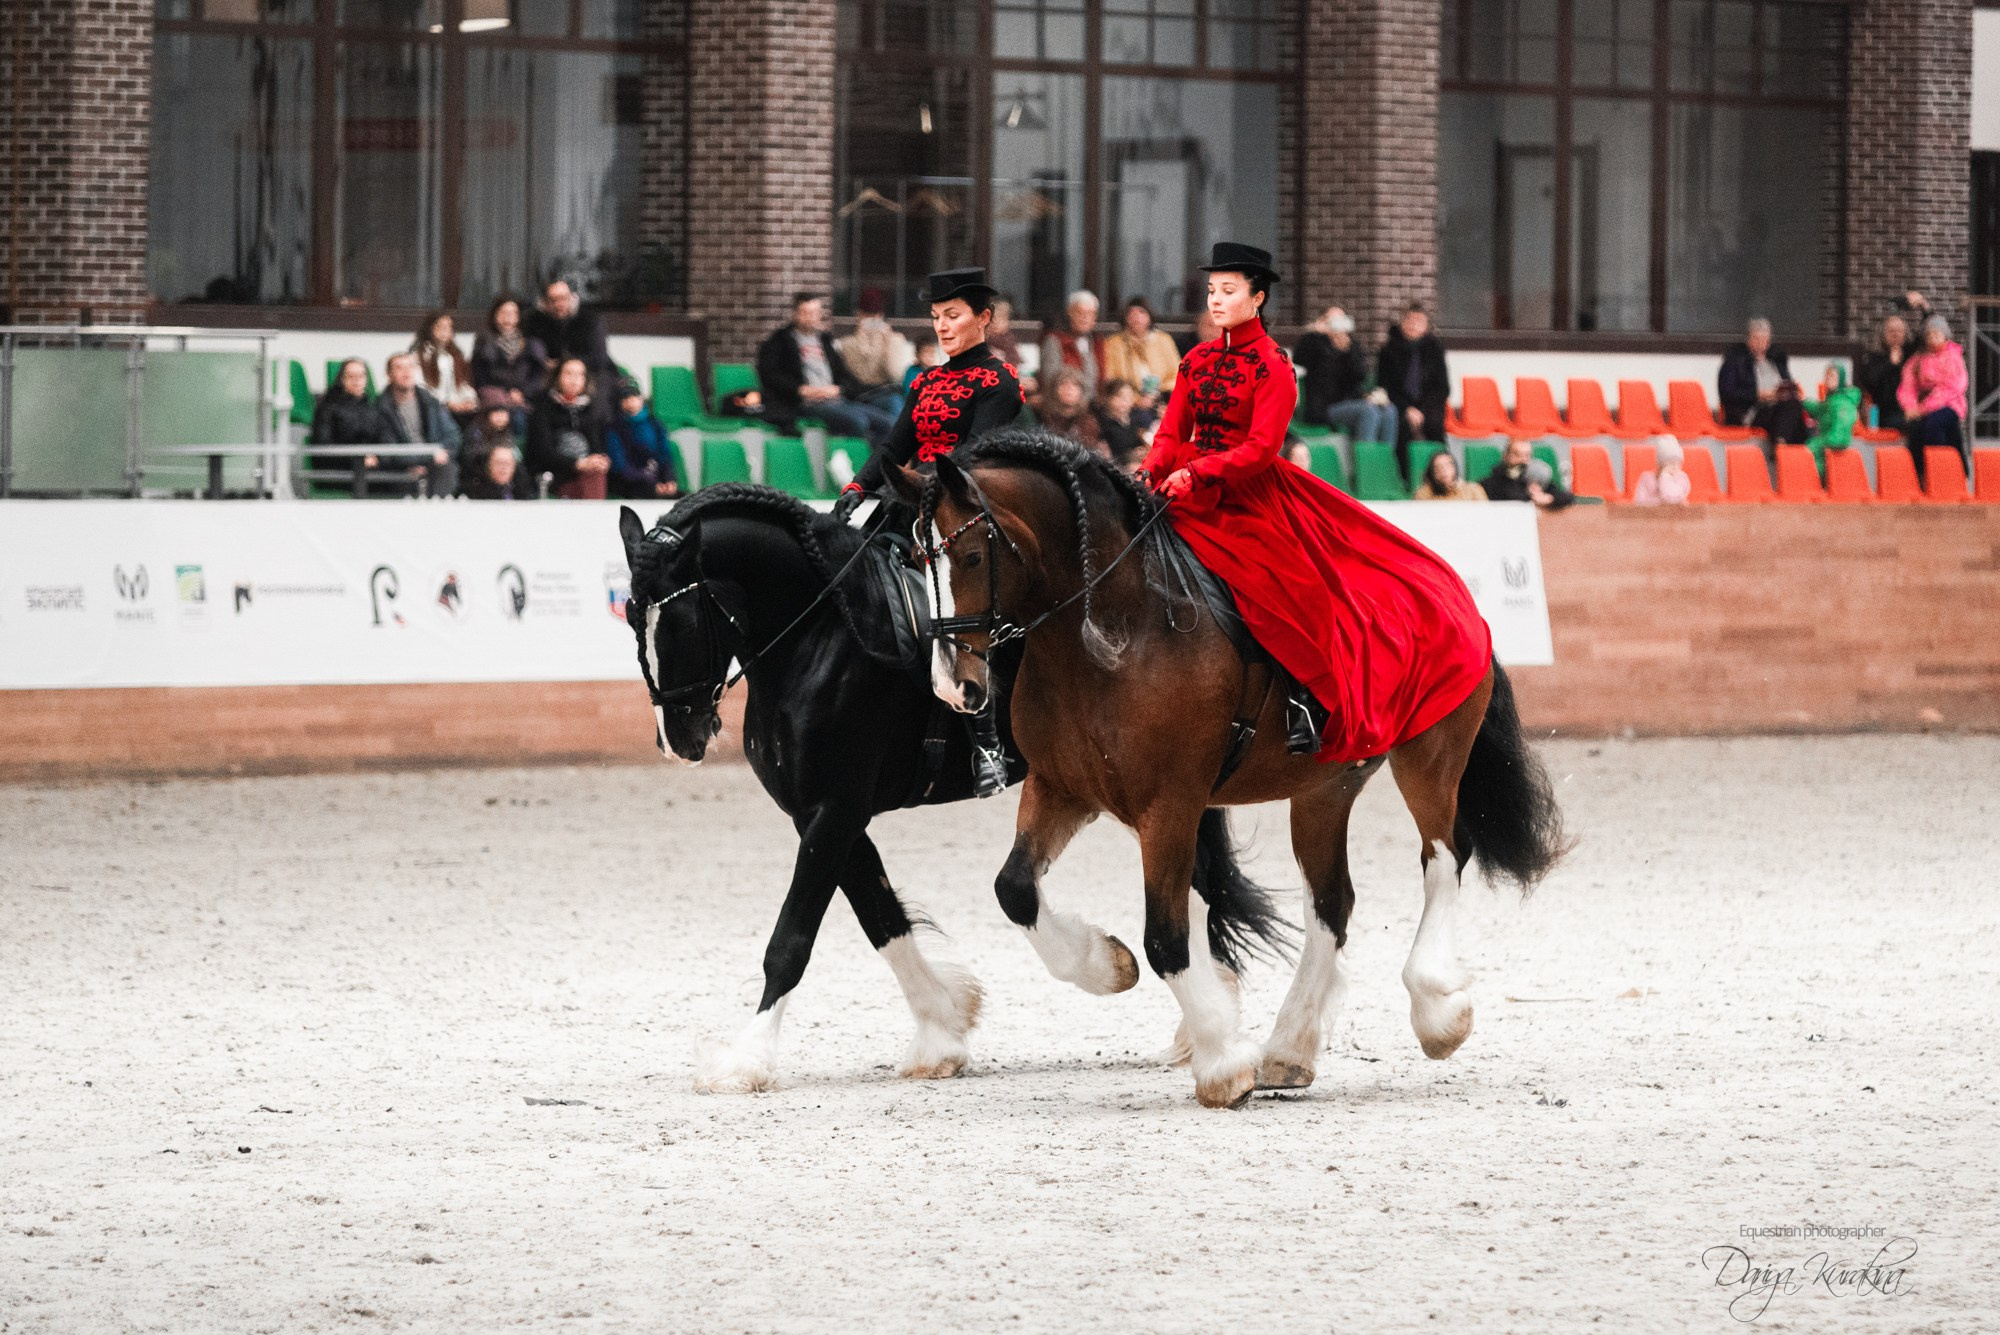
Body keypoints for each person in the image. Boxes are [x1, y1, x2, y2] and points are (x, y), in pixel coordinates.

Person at [1142, 242, 1492, 762]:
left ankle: (1306, 699)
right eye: (1213, 290)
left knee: (1292, 586)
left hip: (1248, 493)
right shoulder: (1194, 360)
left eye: (1229, 290)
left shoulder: (1274, 366)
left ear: (1257, 298)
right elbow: (1172, 432)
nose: (1216, 300)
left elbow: (1261, 449)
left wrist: (1199, 471)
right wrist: (1152, 469)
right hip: (1186, 482)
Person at [851, 267, 1026, 798]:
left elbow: (971, 455)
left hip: (960, 513)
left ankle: (988, 742)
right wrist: (858, 487)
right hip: (906, 505)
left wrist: (913, 484)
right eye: (936, 318)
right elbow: (894, 443)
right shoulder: (926, 380)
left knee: (953, 615)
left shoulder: (998, 381)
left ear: (984, 319)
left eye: (953, 316)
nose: (943, 327)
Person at [755, 292, 897, 444]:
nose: (811, 318)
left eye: (815, 313)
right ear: (795, 314)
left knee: (888, 423)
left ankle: (880, 466)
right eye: (806, 313)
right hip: (804, 404)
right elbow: (770, 376)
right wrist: (800, 390)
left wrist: (839, 389)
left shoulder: (824, 340)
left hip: (835, 399)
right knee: (858, 421)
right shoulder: (779, 341)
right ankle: (857, 463)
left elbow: (843, 373)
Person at [1295, 305, 1397, 444]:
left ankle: (1385, 458)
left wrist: (1347, 352)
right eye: (1333, 320)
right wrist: (1316, 333)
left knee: (1389, 410)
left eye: (1341, 320)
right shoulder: (1313, 342)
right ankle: (1366, 458)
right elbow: (1301, 360)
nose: (1338, 325)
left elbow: (1359, 375)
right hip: (1324, 406)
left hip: (1350, 401)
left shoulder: (1351, 345)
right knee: (1368, 412)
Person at [1375, 302, 1450, 483]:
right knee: (1402, 430)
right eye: (1410, 320)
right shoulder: (1388, 350)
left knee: (1434, 426)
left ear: (1426, 326)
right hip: (1400, 405)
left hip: (1427, 406)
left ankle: (1442, 476)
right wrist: (1408, 408)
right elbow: (1385, 386)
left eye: (1419, 321)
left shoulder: (1435, 350)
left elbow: (1442, 387)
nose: (1413, 325)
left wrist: (1422, 410)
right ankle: (1406, 479)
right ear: (1402, 322)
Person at [1717, 318, 1807, 469]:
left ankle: (1782, 446)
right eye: (1756, 339)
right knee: (1790, 413)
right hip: (1751, 411)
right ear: (1748, 340)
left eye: (1764, 339)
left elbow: (1786, 383)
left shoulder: (1776, 361)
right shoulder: (1735, 362)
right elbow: (1727, 393)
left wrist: (1786, 391)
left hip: (1777, 407)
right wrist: (1757, 395)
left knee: (1794, 406)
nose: (1760, 343)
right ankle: (1784, 452)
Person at [374, 351, 461, 496]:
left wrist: (442, 453)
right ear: (388, 375)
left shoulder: (430, 401)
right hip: (402, 467)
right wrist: (423, 459)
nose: (406, 372)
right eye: (399, 368)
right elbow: (389, 448)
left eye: (410, 367)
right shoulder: (381, 408)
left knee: (449, 470)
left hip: (434, 462)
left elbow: (452, 434)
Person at [525, 357, 611, 499]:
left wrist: (599, 460)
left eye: (579, 375)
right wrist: (577, 464)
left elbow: (597, 446)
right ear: (558, 377)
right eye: (569, 374)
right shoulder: (542, 407)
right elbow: (542, 453)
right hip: (553, 473)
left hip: (586, 471)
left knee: (596, 473)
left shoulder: (592, 409)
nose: (574, 379)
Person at [1897, 314, 1968, 483]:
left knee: (1934, 425)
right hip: (1923, 407)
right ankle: (1918, 474)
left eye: (1936, 334)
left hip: (1949, 404)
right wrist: (1910, 407)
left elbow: (1952, 387)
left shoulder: (1952, 357)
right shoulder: (1918, 360)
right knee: (1914, 430)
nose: (1932, 338)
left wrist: (1923, 409)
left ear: (1945, 336)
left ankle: (1941, 473)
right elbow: (1908, 386)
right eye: (1929, 335)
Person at [469, 294, 549, 432]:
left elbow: (538, 376)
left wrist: (522, 392)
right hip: (494, 398)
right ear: (495, 315)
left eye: (513, 313)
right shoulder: (484, 342)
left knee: (529, 418)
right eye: (504, 313)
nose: (508, 317)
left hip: (525, 398)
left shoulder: (531, 344)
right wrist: (503, 395)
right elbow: (479, 375)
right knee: (508, 417)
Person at [309, 357, 391, 484]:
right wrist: (358, 459)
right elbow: (323, 446)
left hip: (373, 468)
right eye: (351, 376)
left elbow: (385, 439)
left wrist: (378, 458)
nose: (356, 380)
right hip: (340, 470)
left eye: (361, 376)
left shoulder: (373, 408)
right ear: (341, 379)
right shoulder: (327, 408)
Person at [834, 287, 915, 412]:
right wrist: (860, 338)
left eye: (876, 315)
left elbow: (895, 374)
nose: (872, 319)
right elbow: (858, 373)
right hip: (858, 395)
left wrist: (888, 343)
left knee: (894, 404)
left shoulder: (895, 339)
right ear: (859, 315)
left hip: (886, 393)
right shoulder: (848, 342)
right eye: (867, 314)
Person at [1101, 296, 1179, 420]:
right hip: (1126, 405)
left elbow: (1178, 373)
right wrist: (1135, 400)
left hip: (1162, 399)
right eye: (1131, 313)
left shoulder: (1164, 340)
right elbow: (1110, 378)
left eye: (1141, 312)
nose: (1136, 317)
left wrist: (1158, 394)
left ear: (1149, 316)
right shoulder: (1114, 343)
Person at [604, 376, 680, 500]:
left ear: (641, 398)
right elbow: (620, 467)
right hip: (629, 485)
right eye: (625, 398)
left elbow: (665, 456)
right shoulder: (614, 428)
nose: (631, 401)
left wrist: (669, 480)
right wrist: (650, 482)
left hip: (656, 481)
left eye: (634, 396)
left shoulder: (656, 424)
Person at [524, 278, 611, 379]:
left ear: (572, 298)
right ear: (545, 303)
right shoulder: (535, 322)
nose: (558, 305)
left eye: (563, 298)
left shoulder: (589, 321)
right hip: (547, 380)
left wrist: (562, 364)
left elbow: (599, 358)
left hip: (586, 377)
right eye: (553, 300)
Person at [1039, 289, 1104, 402]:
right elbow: (1051, 381)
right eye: (1080, 313)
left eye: (1090, 314)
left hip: (1095, 405)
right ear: (1070, 312)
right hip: (1065, 406)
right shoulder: (1054, 341)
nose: (1085, 318)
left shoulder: (1097, 342)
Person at [412, 309, 478, 419]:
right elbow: (421, 388)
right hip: (435, 408)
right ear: (430, 329)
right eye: (440, 327)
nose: (445, 331)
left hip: (457, 406)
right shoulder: (421, 356)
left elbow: (462, 383)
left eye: (448, 327)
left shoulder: (455, 355)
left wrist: (468, 399)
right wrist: (446, 403)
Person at [1479, 437, 1574, 509]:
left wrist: (1548, 498)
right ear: (1506, 456)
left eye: (1527, 455)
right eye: (1517, 455)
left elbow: (1567, 497)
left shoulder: (1531, 477)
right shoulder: (1495, 480)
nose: (1523, 460)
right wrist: (1531, 496)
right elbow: (1511, 497)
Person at [462, 393, 525, 500]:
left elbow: (516, 455)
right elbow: (471, 457)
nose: (500, 417)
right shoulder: (476, 431)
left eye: (504, 413)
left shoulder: (508, 434)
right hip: (481, 475)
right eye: (496, 413)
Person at [1854, 314, 1910, 436]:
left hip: (1909, 410)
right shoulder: (1873, 358)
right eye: (1891, 331)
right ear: (1883, 334)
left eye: (1899, 331)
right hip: (1883, 412)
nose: (1895, 335)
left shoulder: (1910, 357)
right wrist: (1890, 364)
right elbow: (1870, 383)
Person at [1035, 367, 1105, 455]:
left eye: (1075, 385)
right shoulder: (1041, 417)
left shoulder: (1089, 421)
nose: (1069, 389)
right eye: (1063, 384)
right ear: (1054, 389)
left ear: (1081, 391)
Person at [1094, 378, 1148, 470]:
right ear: (1109, 398)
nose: (1125, 401)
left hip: (1136, 463)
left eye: (1129, 397)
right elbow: (1108, 453)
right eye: (1120, 396)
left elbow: (1138, 442)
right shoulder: (1102, 422)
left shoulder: (1135, 417)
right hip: (1117, 468)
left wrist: (1141, 450)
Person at [1630, 435, 1692, 506]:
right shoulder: (1646, 478)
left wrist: (1666, 477)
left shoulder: (1681, 478)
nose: (1674, 467)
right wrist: (1664, 475)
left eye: (1677, 463)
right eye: (1670, 462)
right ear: (1660, 464)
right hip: (1650, 515)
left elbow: (1670, 497)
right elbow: (1639, 503)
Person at [1413, 449, 1485, 501]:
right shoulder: (1423, 494)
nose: (1443, 471)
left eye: (1448, 465)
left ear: (1455, 468)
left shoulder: (1473, 490)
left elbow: (1486, 515)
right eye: (1437, 467)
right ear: (1432, 473)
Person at [986, 297, 1024, 371]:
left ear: (1007, 323)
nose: (995, 324)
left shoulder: (1007, 340)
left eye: (1000, 321)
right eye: (992, 321)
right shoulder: (984, 338)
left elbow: (1014, 358)